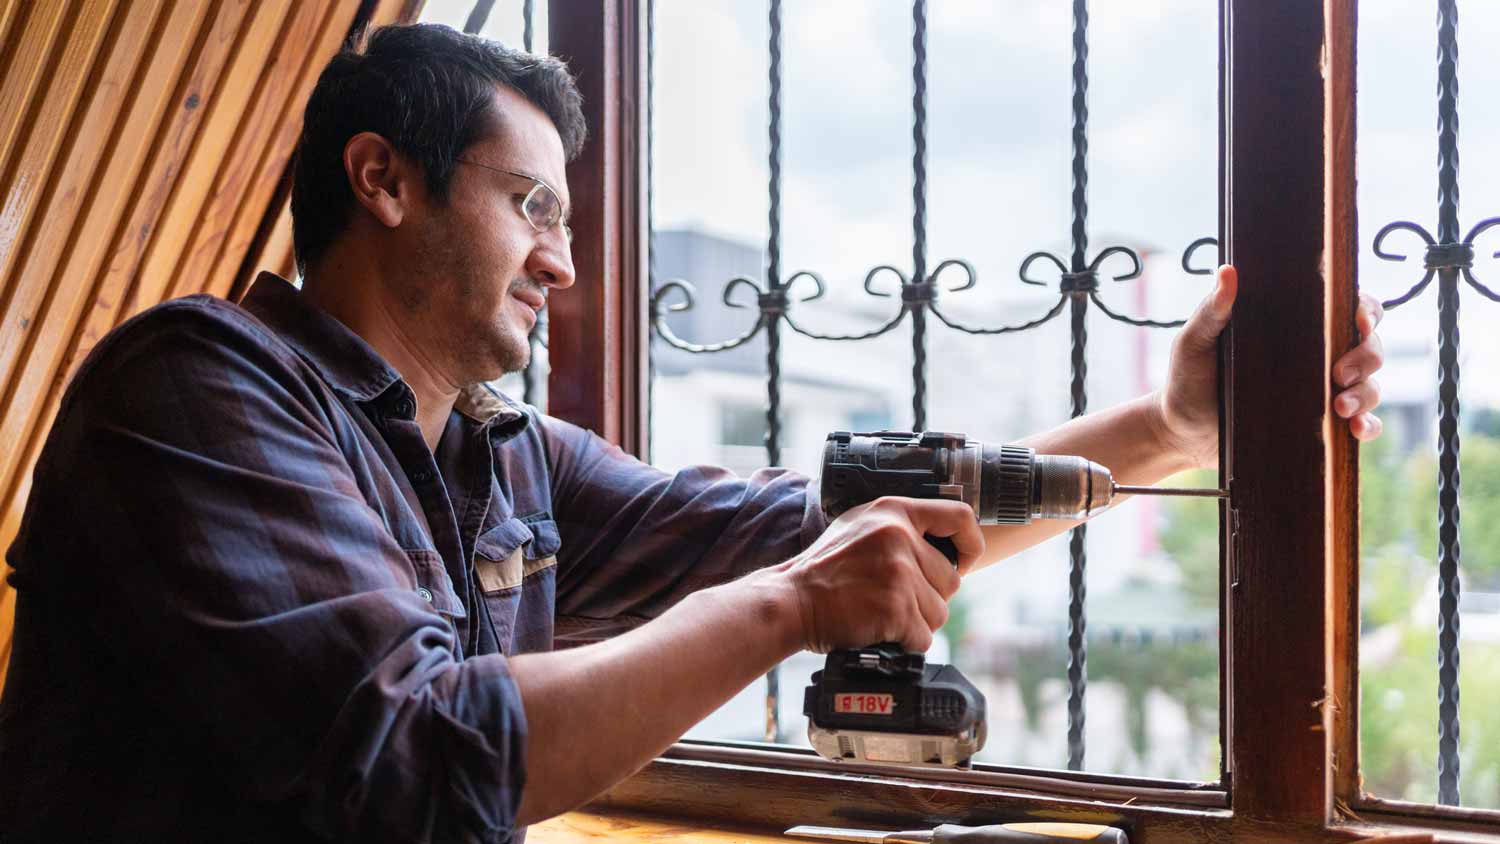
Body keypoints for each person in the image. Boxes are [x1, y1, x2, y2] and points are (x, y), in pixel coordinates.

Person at [0, 23, 1385, 844]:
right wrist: (790, 607)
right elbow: (419, 763)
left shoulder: (499, 451)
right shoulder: (194, 393)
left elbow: (830, 534)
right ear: (384, 182)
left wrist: (1170, 422)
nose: (566, 263)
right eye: (533, 205)